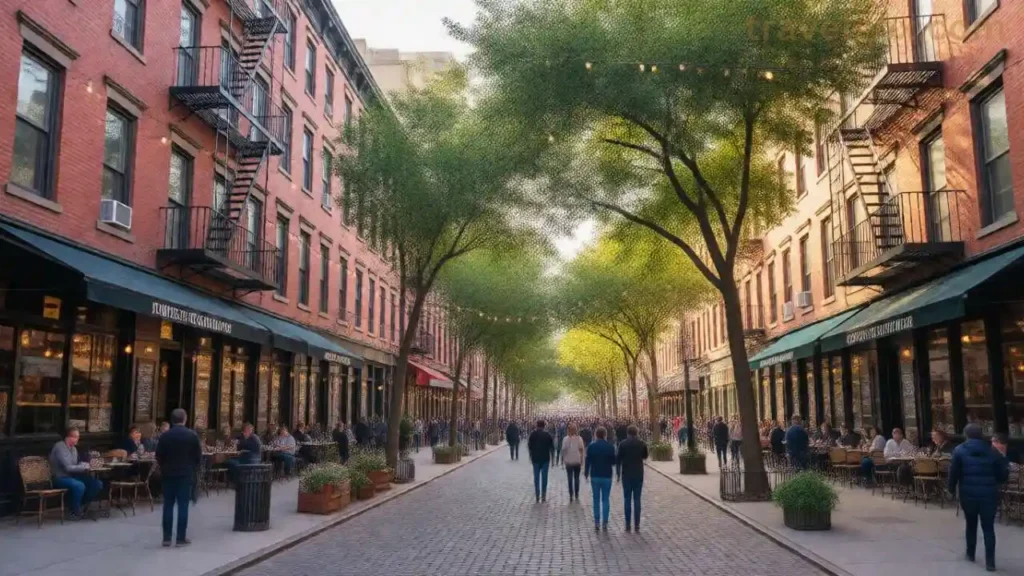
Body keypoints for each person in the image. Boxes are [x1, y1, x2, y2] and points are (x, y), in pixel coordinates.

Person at [948, 423, 1009, 572]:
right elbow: (1003, 474)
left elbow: (953, 473)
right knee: (988, 528)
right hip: (989, 495)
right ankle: (990, 562)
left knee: (971, 524)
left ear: (966, 435)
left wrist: (950, 489)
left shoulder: (959, 450)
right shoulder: (992, 451)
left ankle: (970, 553)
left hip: (968, 494)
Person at [155, 408, 202, 547]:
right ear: (185, 419)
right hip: (185, 474)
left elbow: (158, 456)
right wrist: (191, 468)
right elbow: (198, 457)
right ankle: (181, 538)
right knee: (183, 506)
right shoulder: (192, 436)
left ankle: (167, 538)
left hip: (168, 474)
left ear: (172, 420)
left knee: (168, 505)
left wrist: (165, 467)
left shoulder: (165, 436)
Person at [49, 426, 102, 520]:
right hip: (60, 477)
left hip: (72, 476)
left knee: (97, 484)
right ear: (68, 437)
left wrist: (87, 464)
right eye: (75, 437)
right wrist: (84, 467)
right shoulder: (60, 447)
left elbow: (75, 464)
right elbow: (68, 467)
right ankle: (74, 512)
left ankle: (79, 505)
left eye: (78, 437)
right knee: (79, 485)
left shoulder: (74, 449)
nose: (77, 439)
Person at [616, 425, 649, 533]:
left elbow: (618, 459)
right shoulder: (642, 443)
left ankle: (627, 524)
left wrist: (617, 474)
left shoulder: (623, 444)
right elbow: (645, 456)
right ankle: (637, 525)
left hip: (626, 474)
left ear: (628, 433)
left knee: (627, 499)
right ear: (637, 432)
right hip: (638, 473)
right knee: (637, 499)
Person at [585, 426, 616, 533]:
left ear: (595, 435)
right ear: (605, 435)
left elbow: (588, 460)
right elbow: (613, 462)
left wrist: (586, 473)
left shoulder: (591, 446)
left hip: (595, 475)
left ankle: (597, 522)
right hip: (607, 475)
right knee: (605, 499)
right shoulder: (610, 446)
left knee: (596, 499)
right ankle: (605, 522)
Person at [527, 420, 554, 503]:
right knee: (544, 477)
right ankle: (544, 495)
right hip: (545, 459)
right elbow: (552, 448)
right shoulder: (547, 435)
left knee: (536, 477)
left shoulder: (533, 434)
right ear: (544, 426)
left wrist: (531, 455)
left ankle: (537, 495)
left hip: (535, 459)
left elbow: (529, 446)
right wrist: (553, 459)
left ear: (536, 425)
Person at [561, 423, 585, 502]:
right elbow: (581, 450)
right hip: (577, 460)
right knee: (577, 478)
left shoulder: (565, 439)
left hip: (569, 460)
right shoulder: (579, 438)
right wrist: (582, 459)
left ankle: (571, 494)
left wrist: (563, 458)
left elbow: (563, 449)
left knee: (570, 478)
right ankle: (577, 493)